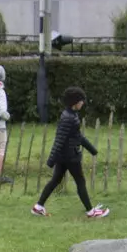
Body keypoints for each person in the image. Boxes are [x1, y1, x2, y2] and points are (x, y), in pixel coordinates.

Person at [32, 86, 108, 219]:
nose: (82, 103)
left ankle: (38, 207)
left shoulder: (71, 115)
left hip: (64, 156)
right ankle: (91, 212)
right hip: (70, 157)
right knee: (80, 181)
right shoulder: (69, 118)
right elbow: (59, 140)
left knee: (55, 180)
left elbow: (78, 136)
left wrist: (92, 150)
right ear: (75, 102)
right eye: (81, 101)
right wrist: (51, 160)